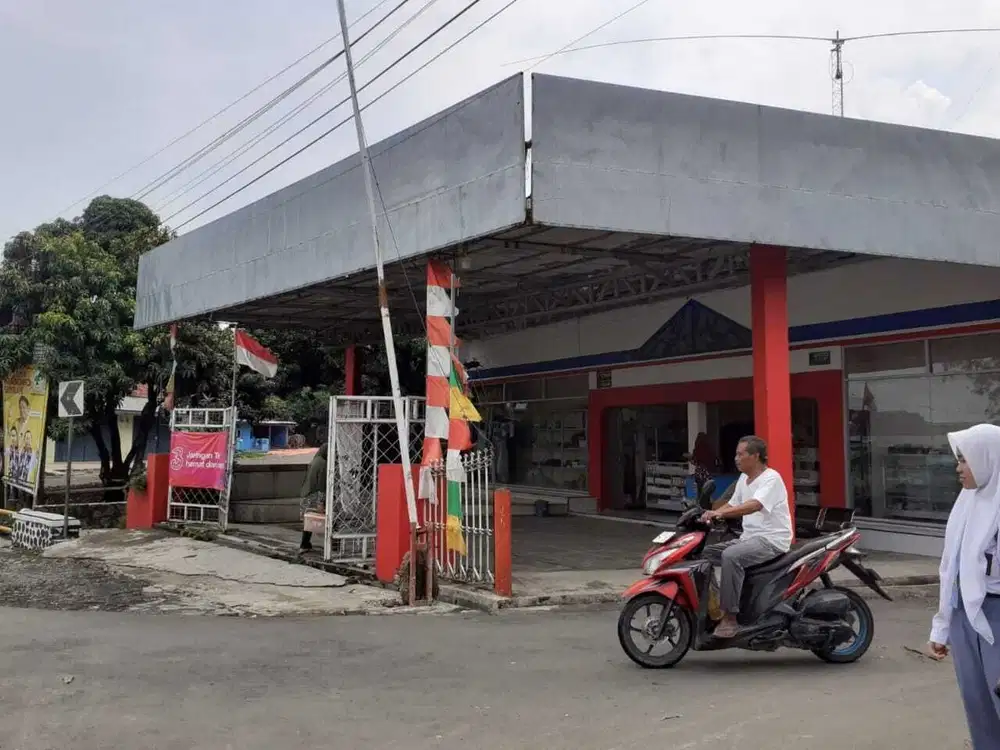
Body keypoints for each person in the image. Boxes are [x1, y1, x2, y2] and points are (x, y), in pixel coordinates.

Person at [927, 423, 1000, 748]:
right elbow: (951, 567)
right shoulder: (967, 501)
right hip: (964, 615)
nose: (958, 468)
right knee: (978, 706)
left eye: (965, 459)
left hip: (996, 615)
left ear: (987, 458)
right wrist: (942, 627)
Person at [699, 435, 792, 639]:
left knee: (731, 556)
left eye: (741, 454)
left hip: (771, 540)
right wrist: (710, 514)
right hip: (749, 538)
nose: (736, 458)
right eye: (736, 454)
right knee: (705, 553)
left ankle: (730, 617)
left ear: (755, 456)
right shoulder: (744, 479)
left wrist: (721, 513)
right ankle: (714, 605)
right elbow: (733, 503)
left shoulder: (771, 478)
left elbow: (754, 505)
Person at [298, 444, 329, 552]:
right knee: (328, 519)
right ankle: (333, 545)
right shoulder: (323, 463)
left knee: (308, 522)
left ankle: (304, 544)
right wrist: (321, 502)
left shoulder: (314, 461)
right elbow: (321, 484)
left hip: (305, 495)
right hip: (314, 496)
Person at [689, 431, 720, 496]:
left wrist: (690, 458)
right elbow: (714, 459)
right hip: (708, 472)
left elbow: (694, 461)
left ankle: (701, 503)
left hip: (700, 472)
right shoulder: (709, 448)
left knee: (700, 491)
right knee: (707, 490)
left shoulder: (697, 449)